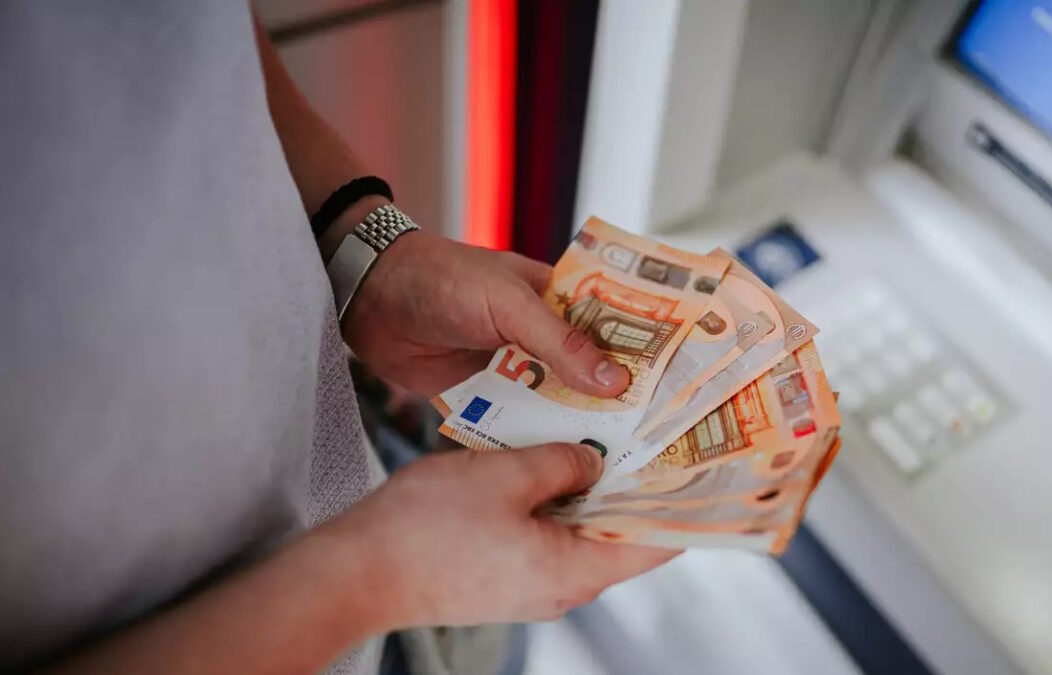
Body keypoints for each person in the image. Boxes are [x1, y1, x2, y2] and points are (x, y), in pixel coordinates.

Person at [0, 2, 676, 673]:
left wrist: (367, 250)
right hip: (381, 571)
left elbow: (202, 39)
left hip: (376, 477)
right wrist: (378, 577)